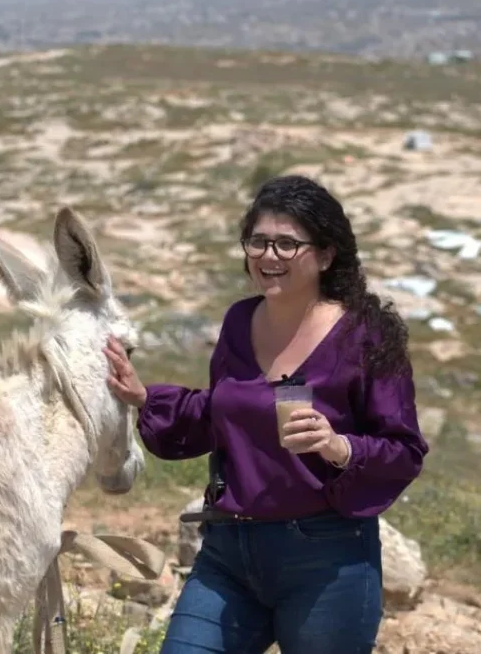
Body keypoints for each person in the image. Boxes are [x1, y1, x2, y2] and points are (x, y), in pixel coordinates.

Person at [103, 174, 429, 654]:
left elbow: (404, 450)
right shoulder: (239, 321)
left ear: (325, 254)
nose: (268, 256)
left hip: (326, 559)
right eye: (258, 241)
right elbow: (221, 414)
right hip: (228, 552)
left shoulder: (366, 337)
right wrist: (144, 397)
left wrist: (339, 446)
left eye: (286, 244)